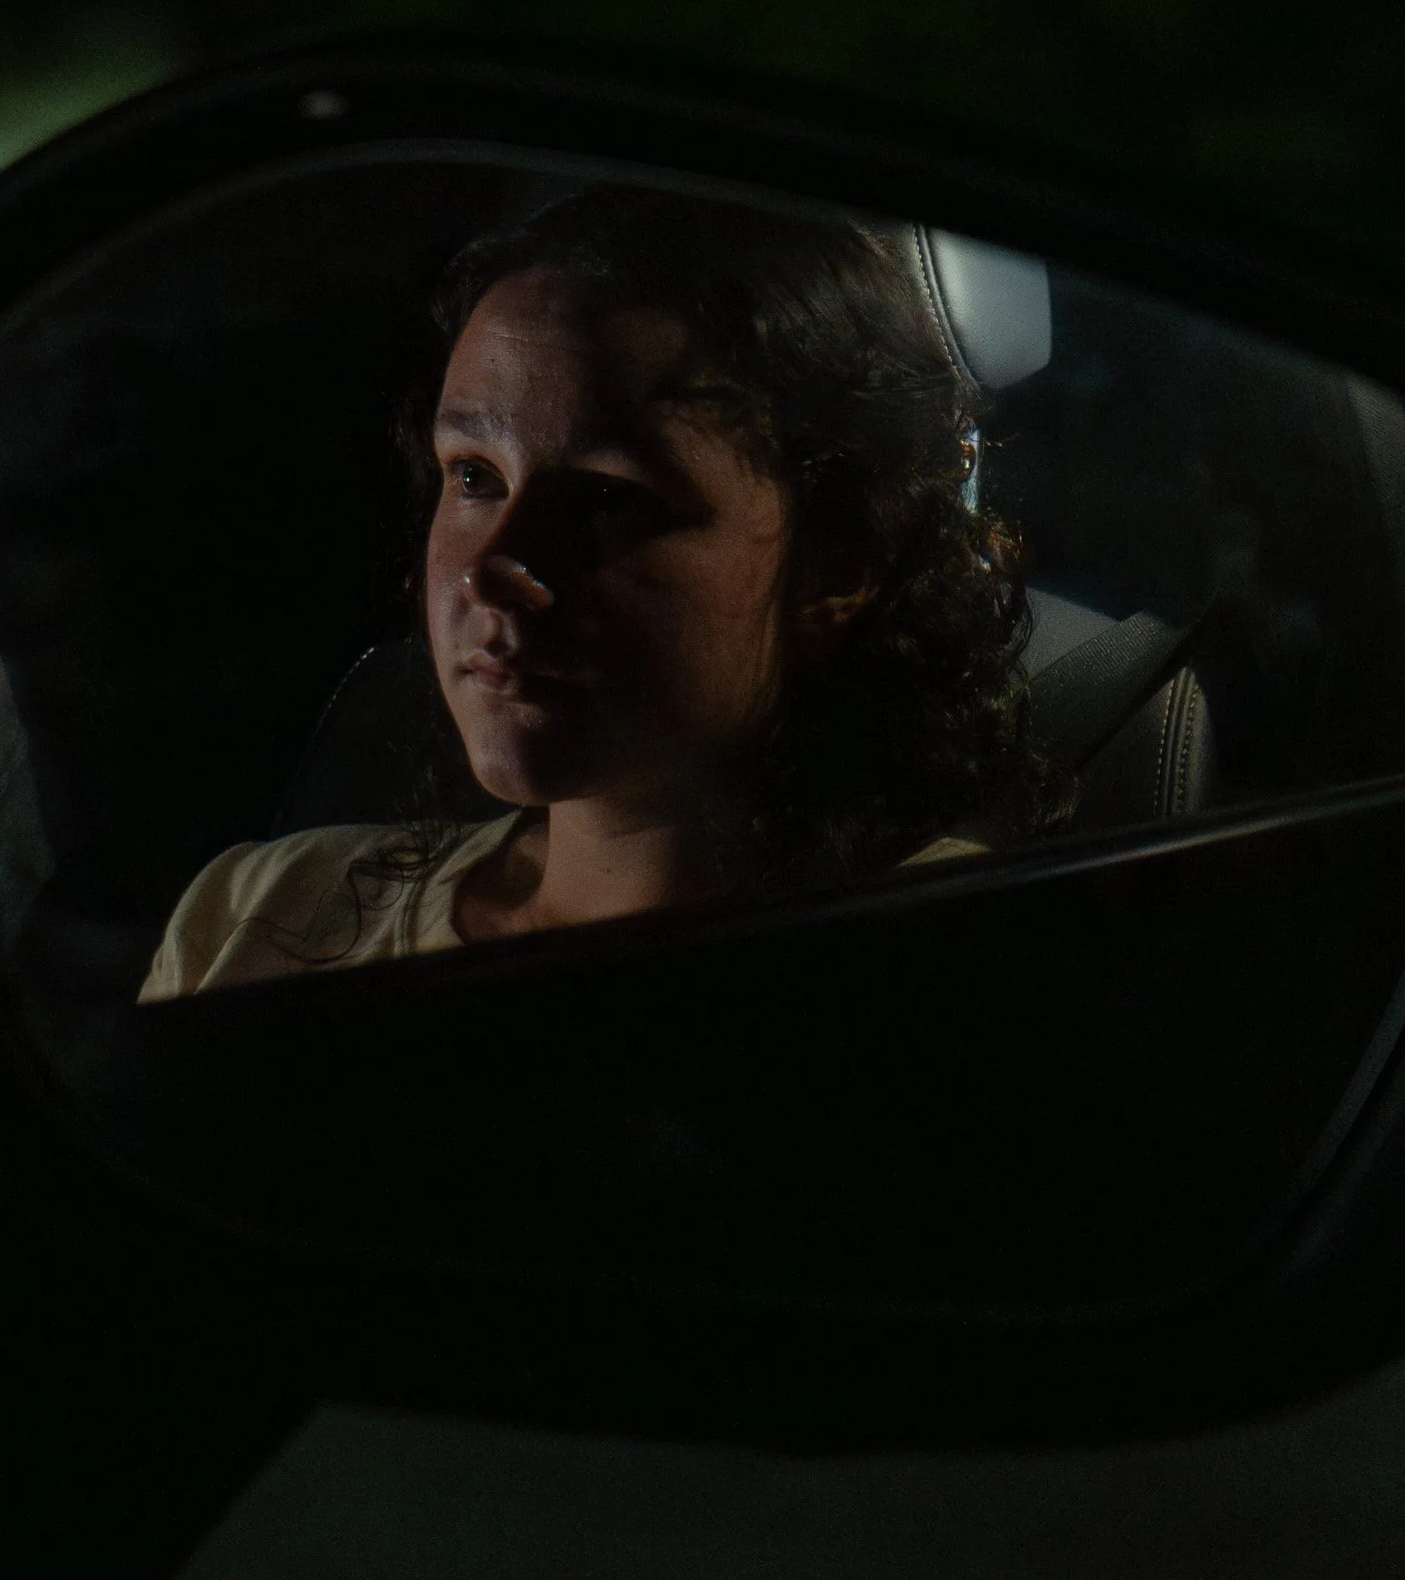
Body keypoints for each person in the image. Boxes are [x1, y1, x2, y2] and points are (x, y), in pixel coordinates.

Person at [141, 184, 1055, 997]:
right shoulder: (258, 910)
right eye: (474, 477)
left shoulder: (954, 961)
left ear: (841, 566)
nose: (495, 567)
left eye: (610, 499)